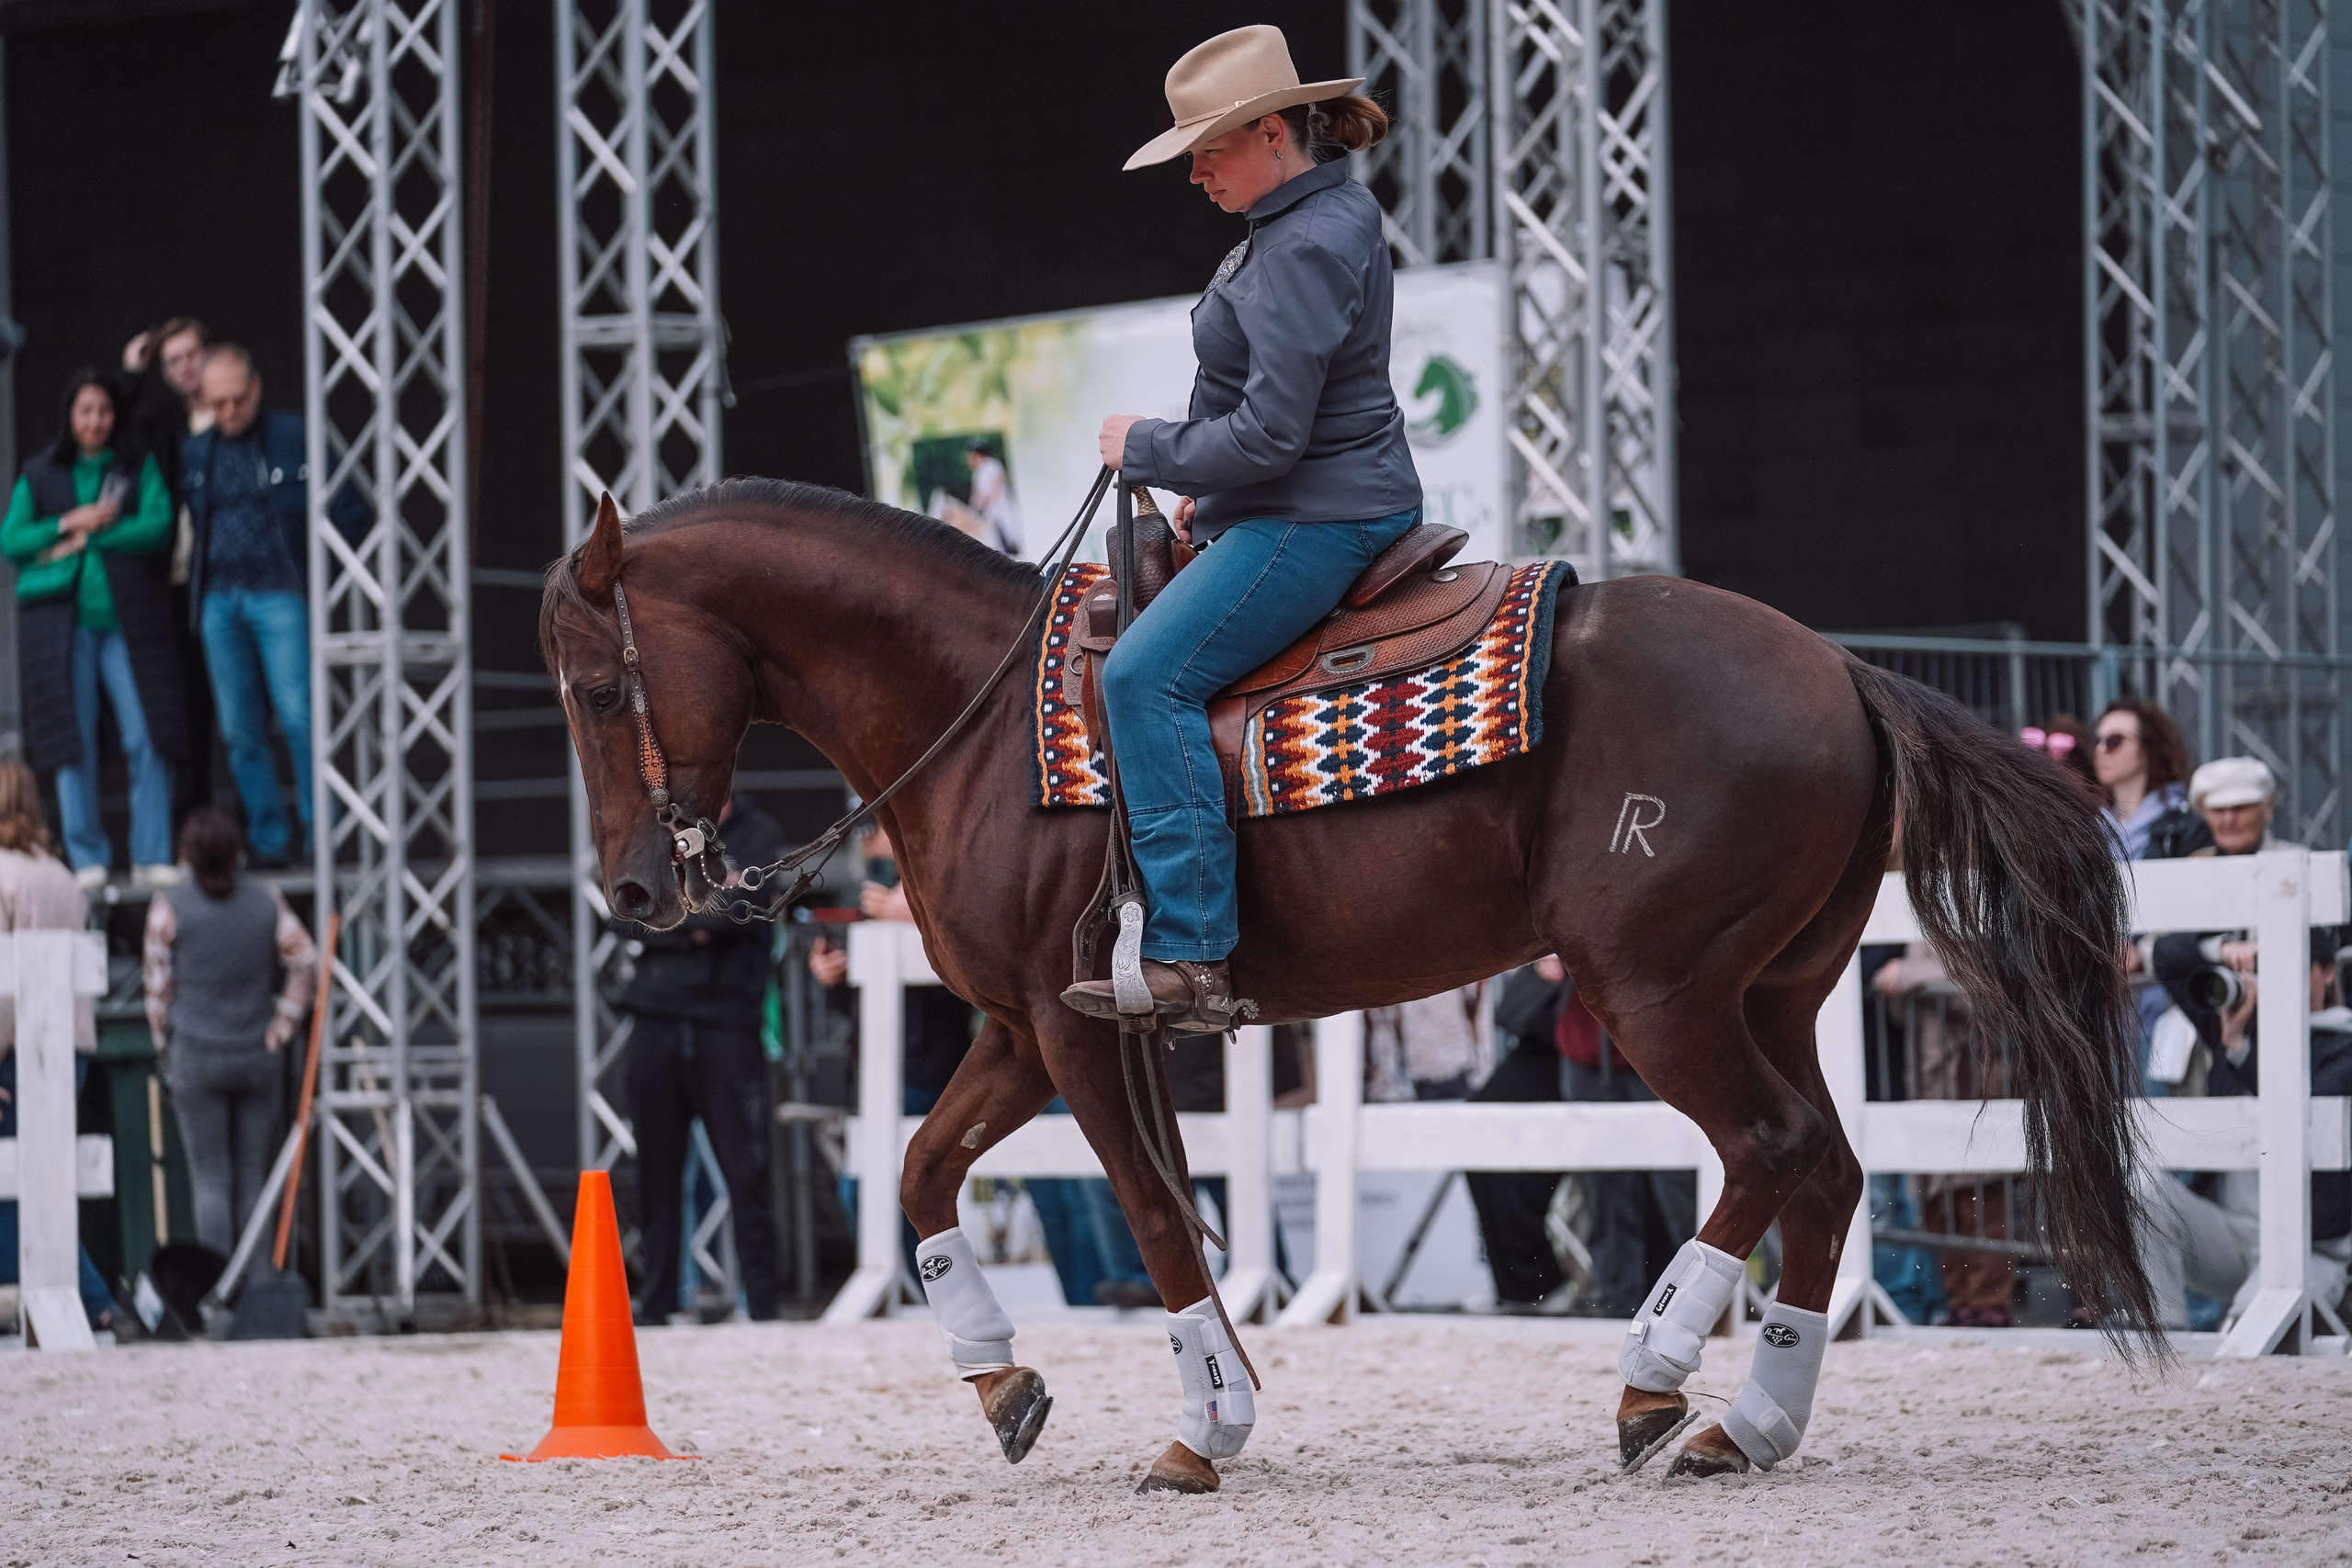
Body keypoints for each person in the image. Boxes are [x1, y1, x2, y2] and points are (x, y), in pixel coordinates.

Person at [1063, 26, 1419, 1031]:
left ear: (1271, 133)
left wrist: (1149, 447)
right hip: (1307, 498)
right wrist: (1208, 495)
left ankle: (1190, 953)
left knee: (1141, 677)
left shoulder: (1300, 242)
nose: (1194, 174)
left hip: (1321, 515)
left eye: (1206, 150)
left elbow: (1269, 434)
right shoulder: (1317, 217)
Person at [181, 344, 368, 868]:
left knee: (300, 717)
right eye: (217, 404)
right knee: (239, 730)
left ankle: (320, 839)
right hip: (220, 601)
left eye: (237, 399)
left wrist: (319, 578)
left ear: (256, 388)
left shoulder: (294, 434)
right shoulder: (197, 451)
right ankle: (266, 841)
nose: (229, 412)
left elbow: (352, 511)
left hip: (280, 596)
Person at [1, 368, 187, 886]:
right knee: (70, 739)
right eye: (84, 411)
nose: (95, 421)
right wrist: (69, 522)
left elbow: (159, 524)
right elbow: (11, 540)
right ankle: (87, 859)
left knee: (148, 731)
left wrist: (99, 534)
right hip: (63, 629)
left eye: (103, 410)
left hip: (129, 627)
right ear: (69, 416)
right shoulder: (41, 471)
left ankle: (152, 853)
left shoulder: (135, 463)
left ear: (115, 414)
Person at [618, 792, 787, 1324]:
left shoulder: (757, 831)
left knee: (748, 1170)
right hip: (656, 1018)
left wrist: (678, 914)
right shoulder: (653, 830)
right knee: (655, 1172)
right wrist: (706, 907)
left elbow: (749, 911)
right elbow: (624, 912)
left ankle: (763, 1306)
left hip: (727, 1024)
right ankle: (658, 1301)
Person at [2141, 927, 2352, 1329]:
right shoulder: (2236, 1022)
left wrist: (2239, 1047)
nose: (2280, 978)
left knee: (2246, 1332)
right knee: (2142, 1187)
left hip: (2310, 1248)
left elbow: (2298, 1113)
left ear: (2327, 972)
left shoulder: (2344, 1044)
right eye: (2269, 966)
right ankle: (2163, 1334)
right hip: (2231, 1238)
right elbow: (2168, 958)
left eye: (2293, 967)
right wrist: (2221, 949)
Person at [141, 807, 316, 1279]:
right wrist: (281, 1027)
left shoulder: (169, 906)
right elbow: (306, 962)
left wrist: (165, 1046)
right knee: (253, 1177)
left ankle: (216, 1290)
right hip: (256, 1053)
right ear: (237, 852)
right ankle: (258, 1285)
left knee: (210, 1179)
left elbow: (157, 990)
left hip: (196, 1052)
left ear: (187, 855)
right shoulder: (268, 901)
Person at [0, 760, 116, 1329]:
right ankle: (91, 1303)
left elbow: (1, 990)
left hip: (16, 1049)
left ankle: (83, 1301)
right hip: (70, 1047)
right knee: (48, 1186)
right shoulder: (62, 875)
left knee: (14, 1189)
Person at [1464, 964, 1572, 1312]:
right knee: (1479, 1152)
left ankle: (1536, 1285)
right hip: (1540, 1052)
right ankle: (1518, 1287)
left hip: (1579, 1060)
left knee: (1519, 1177)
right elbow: (1512, 1014)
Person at [2094, 699, 2210, 860]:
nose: (2100, 750)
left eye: (2114, 741)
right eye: (2097, 741)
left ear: (2147, 749)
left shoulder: (2185, 826)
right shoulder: (2092, 829)